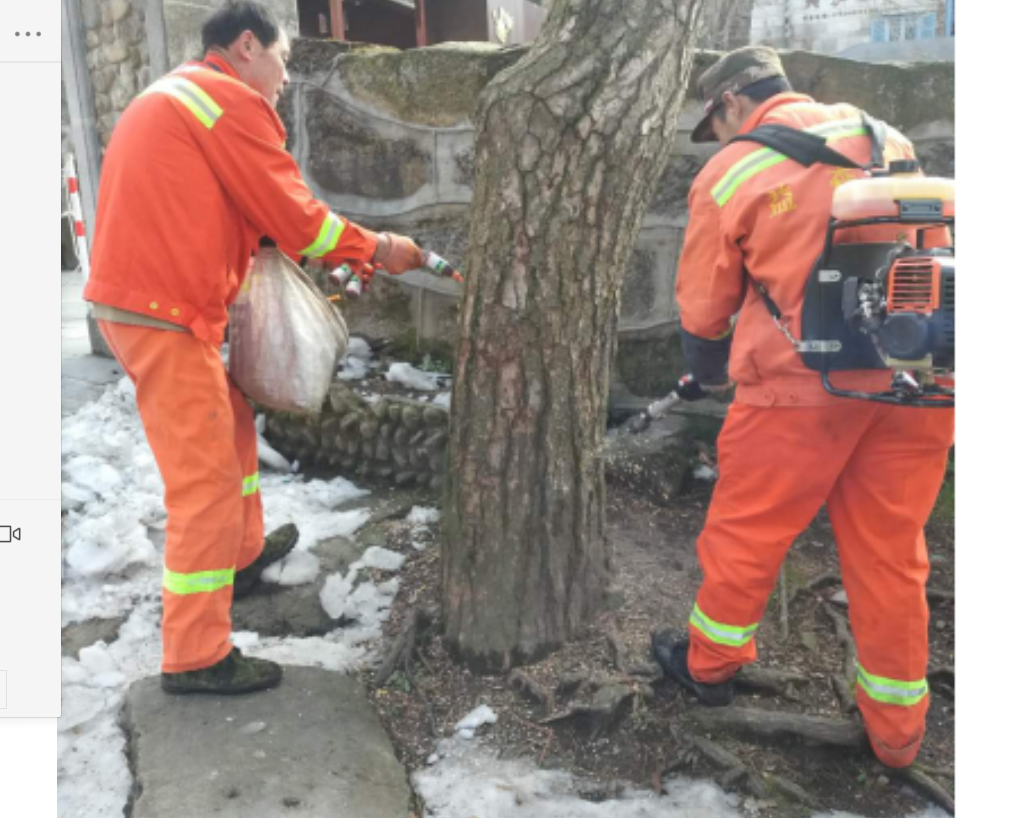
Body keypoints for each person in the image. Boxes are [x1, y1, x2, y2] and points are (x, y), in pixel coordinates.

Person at [83, 1, 423, 695]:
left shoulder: (180, 93)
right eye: (283, 60)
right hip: (162, 313)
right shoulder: (228, 103)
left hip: (152, 304)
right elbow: (299, 219)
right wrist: (379, 247)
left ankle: (240, 556)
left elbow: (220, 203)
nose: (286, 78)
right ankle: (194, 656)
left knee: (233, 427)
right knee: (205, 483)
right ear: (247, 46)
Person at [650, 46, 954, 768]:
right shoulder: (885, 136)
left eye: (715, 125)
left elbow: (704, 308)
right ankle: (897, 734)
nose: (719, 138)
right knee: (892, 556)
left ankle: (709, 668)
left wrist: (708, 374)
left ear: (729, 103)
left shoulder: (731, 170)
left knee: (748, 534)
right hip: (916, 379)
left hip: (799, 394)